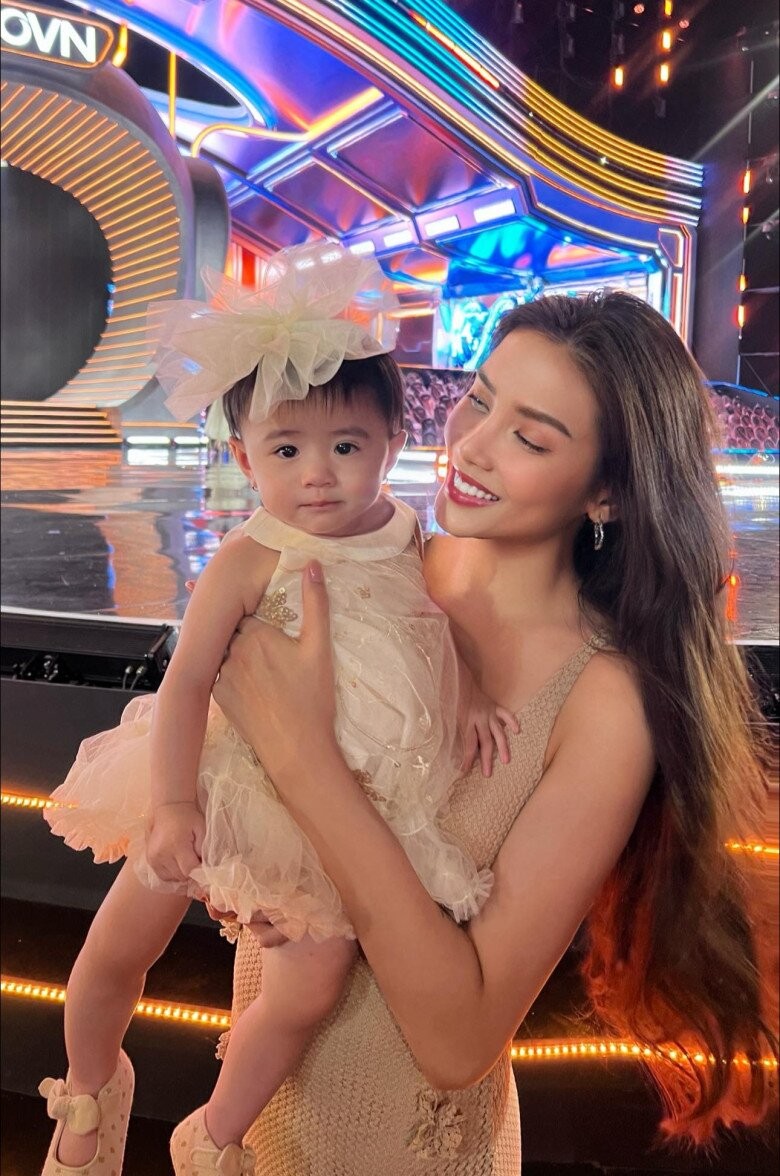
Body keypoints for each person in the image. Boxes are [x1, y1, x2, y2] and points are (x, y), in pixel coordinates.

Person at [206, 291, 777, 1173]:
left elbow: (458, 1039)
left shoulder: (602, 702)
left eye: (530, 438)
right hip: (257, 1119)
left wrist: (306, 762)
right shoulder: (362, 567)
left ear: (608, 492)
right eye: (480, 399)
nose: (471, 445)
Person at [37, 244, 514, 1175]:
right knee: (120, 941)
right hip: (225, 776)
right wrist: (173, 802)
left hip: (339, 801)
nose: (319, 475)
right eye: (287, 451)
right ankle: (89, 1085)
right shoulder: (251, 556)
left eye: (347, 447)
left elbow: (432, 630)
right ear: (244, 457)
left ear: (392, 441)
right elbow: (187, 682)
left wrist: (477, 695)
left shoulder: (408, 533)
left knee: (311, 984)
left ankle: (213, 1134)